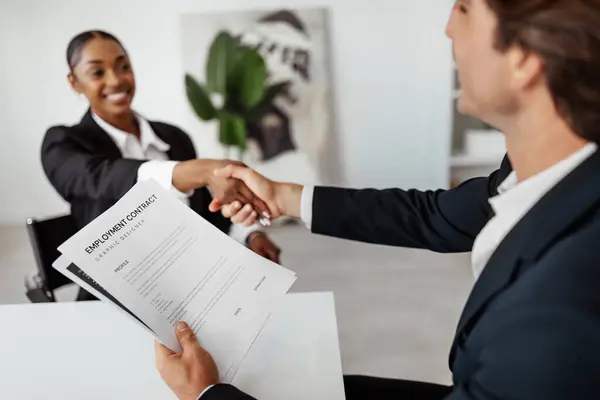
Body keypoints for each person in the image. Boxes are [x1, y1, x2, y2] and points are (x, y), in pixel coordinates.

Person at [155, 0, 600, 399]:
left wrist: (206, 399)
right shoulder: (544, 173)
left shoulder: (565, 301)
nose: (447, 27)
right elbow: (438, 216)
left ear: (524, 61)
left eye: (463, 7)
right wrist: (284, 196)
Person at [41, 30, 281, 301]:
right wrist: (190, 172)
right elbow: (101, 177)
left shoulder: (174, 137)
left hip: (196, 288)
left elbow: (207, 211)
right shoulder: (63, 143)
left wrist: (251, 234)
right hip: (116, 299)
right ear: (74, 83)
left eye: (123, 66)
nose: (116, 80)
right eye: (97, 73)